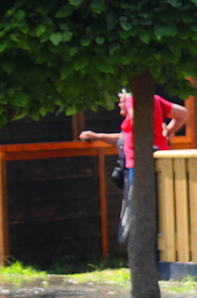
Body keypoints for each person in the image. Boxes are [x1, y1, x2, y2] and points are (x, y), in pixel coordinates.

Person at [80, 91, 189, 241]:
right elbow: (182, 113)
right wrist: (167, 131)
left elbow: (135, 121)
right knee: (161, 202)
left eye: (120, 100)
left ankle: (143, 243)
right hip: (162, 159)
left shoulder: (134, 99)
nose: (119, 104)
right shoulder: (155, 99)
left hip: (139, 163)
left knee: (139, 205)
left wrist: (130, 104)